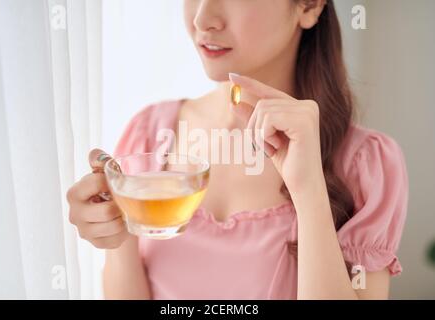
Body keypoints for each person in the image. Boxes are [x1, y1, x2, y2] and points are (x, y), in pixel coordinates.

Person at [66, 0, 409, 299]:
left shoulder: (365, 163)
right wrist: (118, 232)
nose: (203, 19)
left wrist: (309, 192)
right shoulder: (149, 134)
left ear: (309, 6)